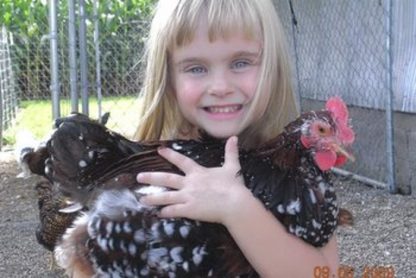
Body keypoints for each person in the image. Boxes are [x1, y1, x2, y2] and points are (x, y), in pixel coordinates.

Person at [134, 0, 340, 277]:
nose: (220, 87)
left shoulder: (295, 174)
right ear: (167, 78)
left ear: (272, 67)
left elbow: (323, 272)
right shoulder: (152, 169)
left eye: (241, 63)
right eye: (196, 68)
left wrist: (237, 208)